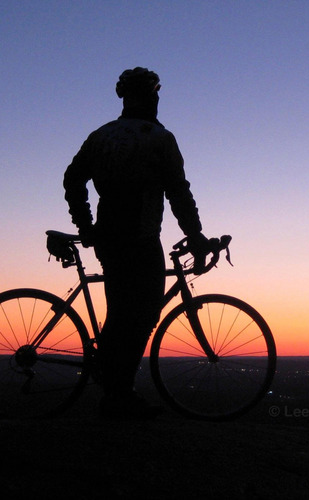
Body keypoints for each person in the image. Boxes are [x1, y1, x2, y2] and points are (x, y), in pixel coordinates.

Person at [63, 67, 208, 419]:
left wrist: (86, 226)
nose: (157, 100)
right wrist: (195, 235)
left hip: (108, 237)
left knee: (122, 313)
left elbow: (72, 179)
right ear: (146, 97)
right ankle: (118, 397)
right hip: (141, 237)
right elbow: (177, 191)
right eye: (154, 94)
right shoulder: (158, 137)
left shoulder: (102, 135)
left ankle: (114, 387)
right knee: (141, 315)